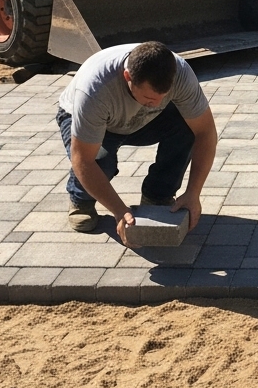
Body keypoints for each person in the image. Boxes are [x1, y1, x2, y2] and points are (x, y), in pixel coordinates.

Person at [57, 41, 218, 246]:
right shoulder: (95, 88)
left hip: (142, 120)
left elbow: (205, 132)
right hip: (96, 122)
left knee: (188, 127)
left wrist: (194, 193)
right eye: (150, 97)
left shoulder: (180, 73)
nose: (158, 103)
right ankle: (81, 200)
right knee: (100, 161)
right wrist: (119, 210)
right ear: (127, 77)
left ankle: (158, 196)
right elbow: (83, 160)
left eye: (163, 97)